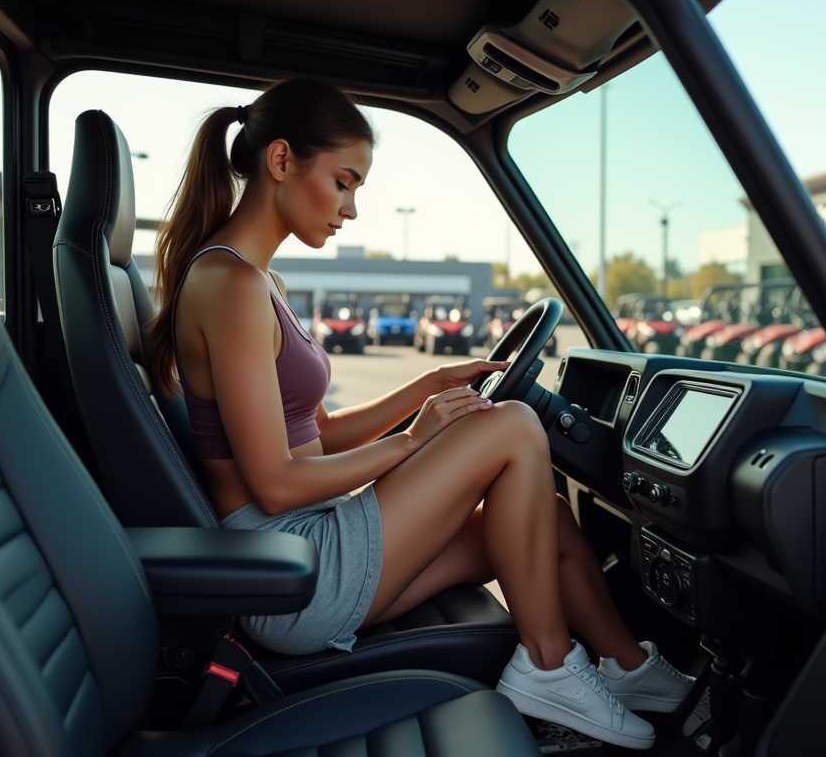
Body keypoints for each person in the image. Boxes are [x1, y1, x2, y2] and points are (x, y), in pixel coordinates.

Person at [148, 80, 692, 749]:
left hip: (313, 540)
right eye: (343, 182)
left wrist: (426, 387)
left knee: (543, 517)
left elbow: (317, 436)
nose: (350, 209)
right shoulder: (228, 285)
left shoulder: (260, 282)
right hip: (293, 572)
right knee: (517, 426)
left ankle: (632, 668)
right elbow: (278, 483)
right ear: (282, 161)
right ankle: (548, 666)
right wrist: (413, 443)